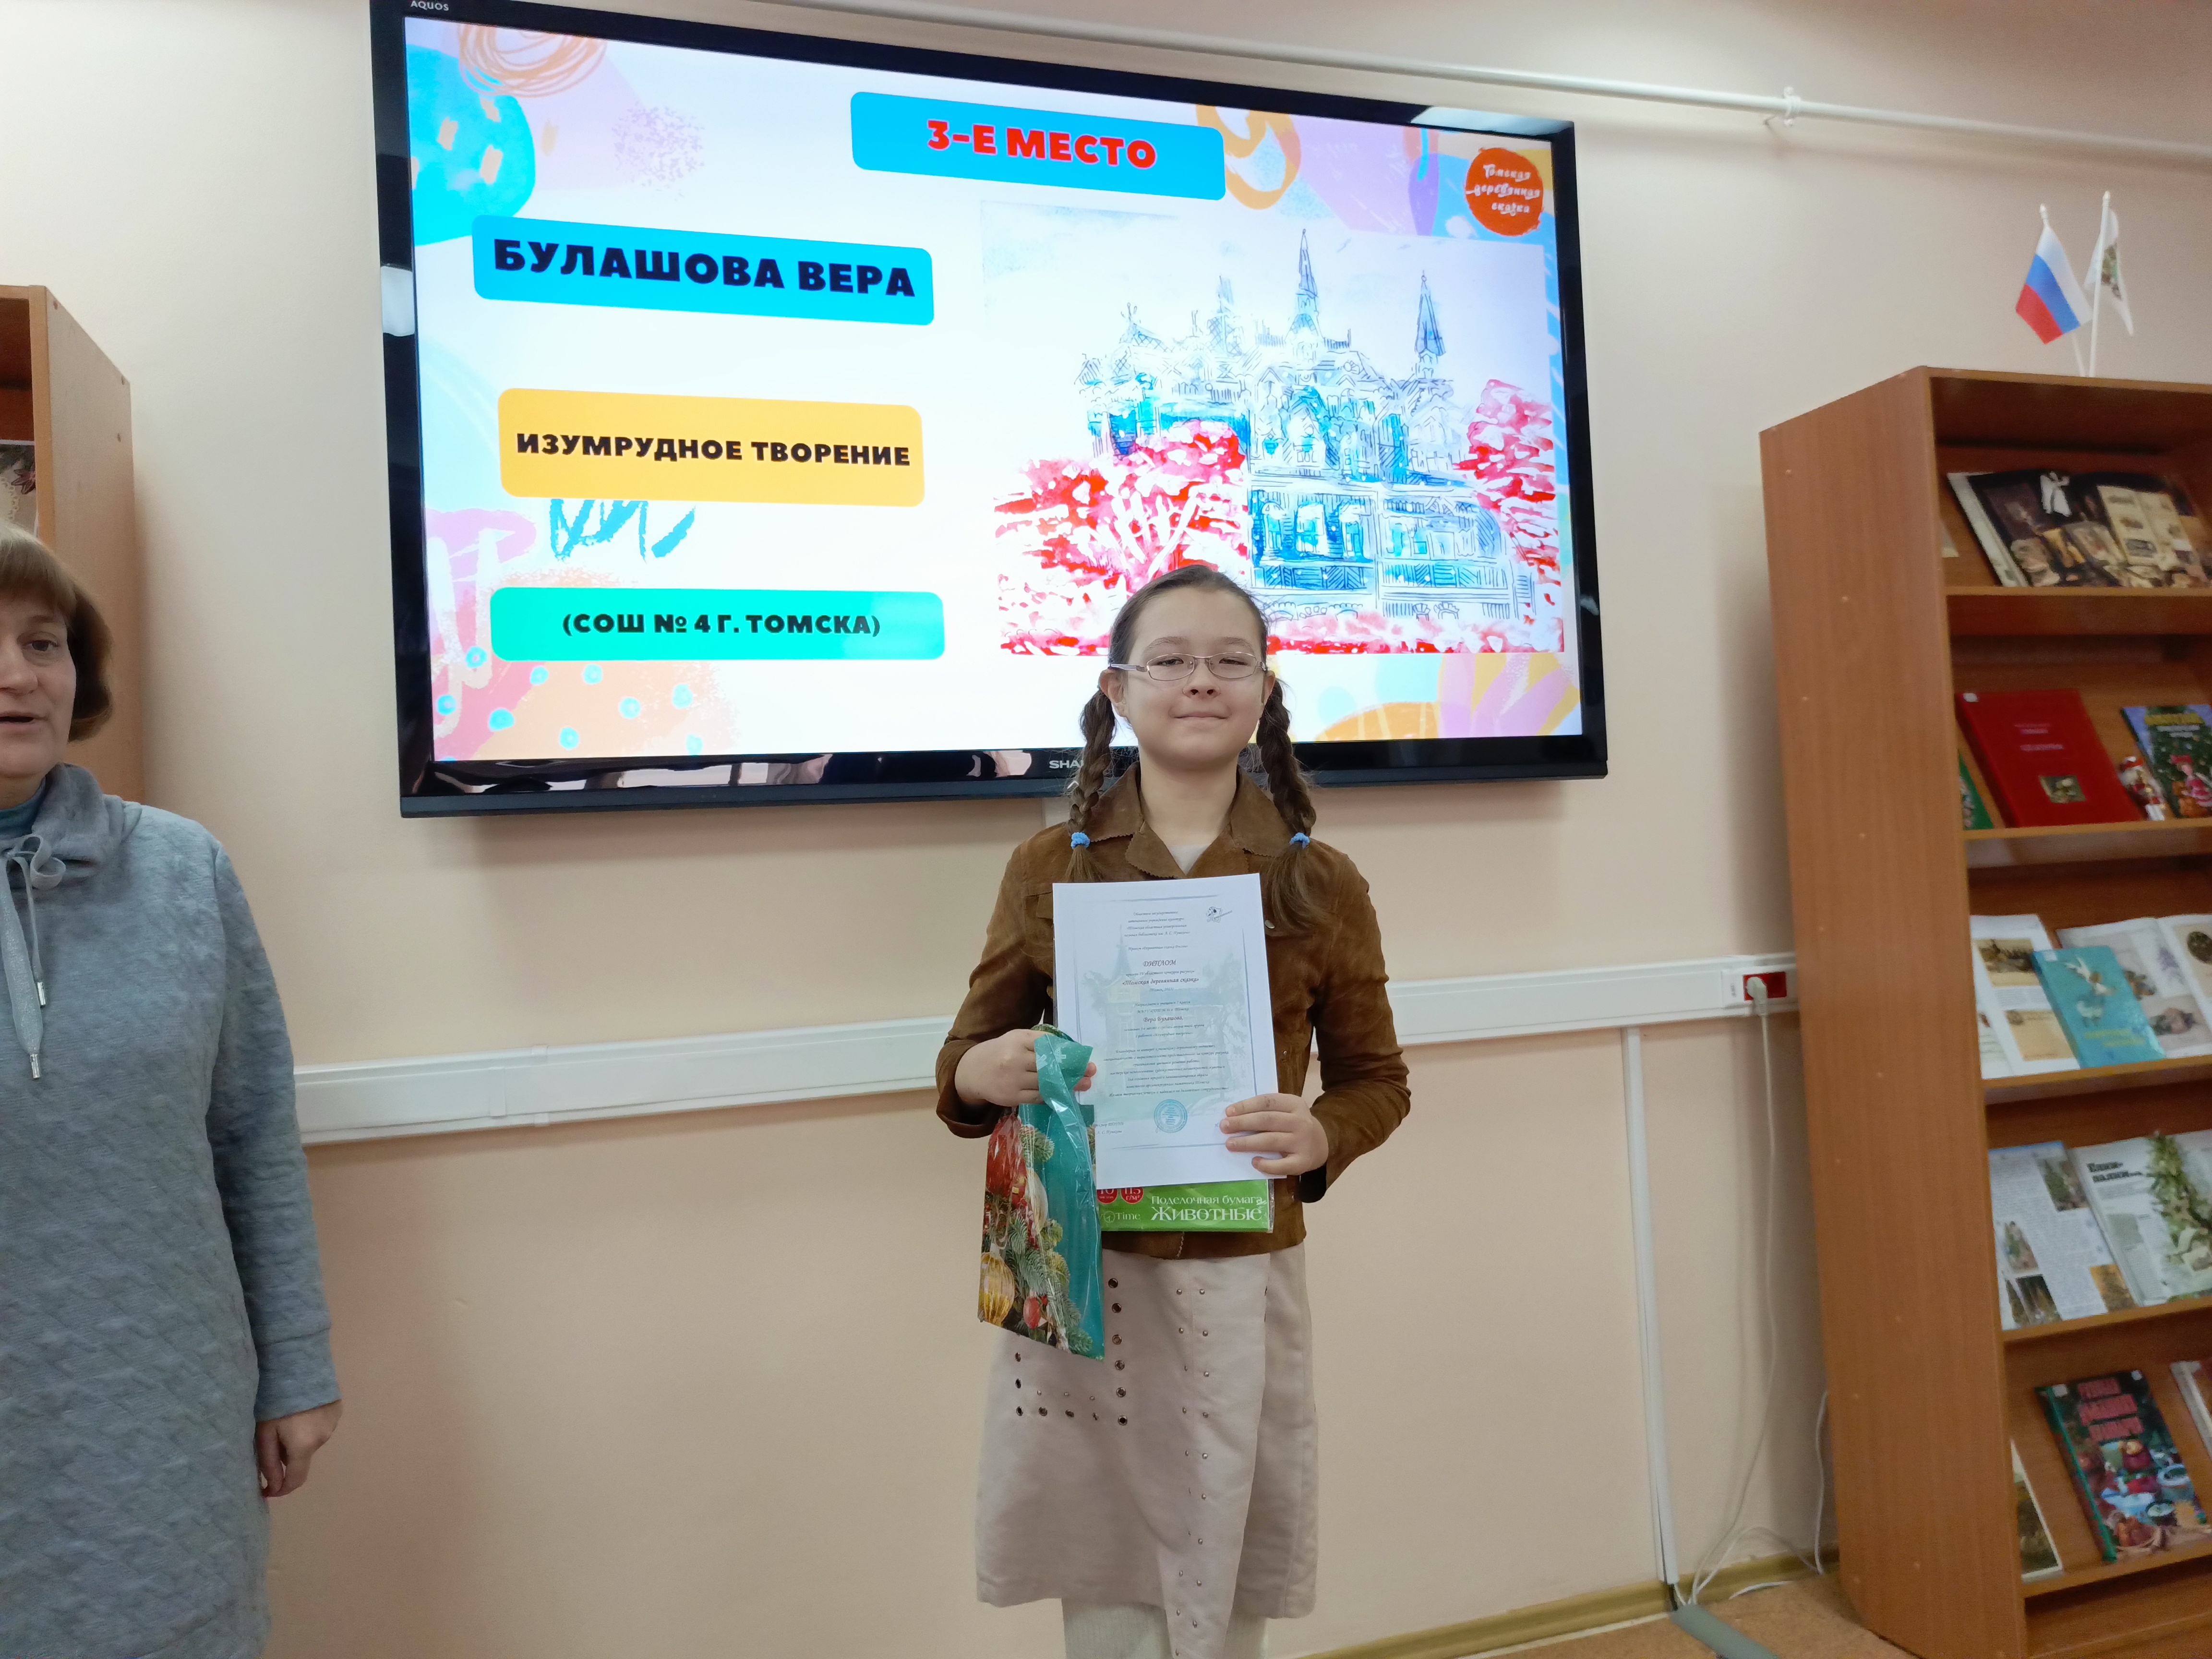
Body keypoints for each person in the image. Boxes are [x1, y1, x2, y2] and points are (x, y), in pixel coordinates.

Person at [937, 564, 1410, 1659]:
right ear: (1117, 688)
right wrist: (988, 1073)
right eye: (1171, 660)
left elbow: (1377, 1080)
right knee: (1102, 1553)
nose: (1202, 680)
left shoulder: (1321, 881)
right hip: (1086, 1259)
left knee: (1224, 1537)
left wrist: (1322, 1133)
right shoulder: (1049, 866)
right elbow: (963, 1061)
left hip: (1239, 1259)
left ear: (1265, 690)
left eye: (1230, 660)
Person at [0, 525, 341, 1659]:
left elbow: (253, 1135)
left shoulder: (184, 870)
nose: (17, 675)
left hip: (162, 1417)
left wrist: (295, 1365)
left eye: (41, 642)